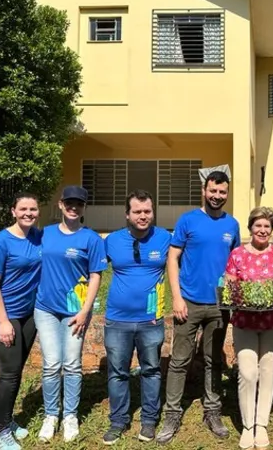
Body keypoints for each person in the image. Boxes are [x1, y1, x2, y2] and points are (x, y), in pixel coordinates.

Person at [157, 171, 241, 444]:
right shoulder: (188, 220)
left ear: (227, 194)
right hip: (189, 302)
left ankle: (212, 411)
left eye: (222, 192)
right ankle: (172, 413)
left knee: (212, 360)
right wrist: (177, 298)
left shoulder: (233, 224)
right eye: (213, 191)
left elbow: (235, 263)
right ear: (204, 191)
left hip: (219, 306)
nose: (218, 196)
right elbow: (172, 258)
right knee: (179, 360)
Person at [34, 186, 106, 442]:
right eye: (70, 203)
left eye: (79, 204)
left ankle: (70, 416)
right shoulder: (45, 234)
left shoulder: (92, 239)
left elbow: (96, 275)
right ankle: (51, 415)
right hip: (45, 309)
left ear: (84, 207)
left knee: (73, 365)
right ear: (61, 205)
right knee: (52, 364)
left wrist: (86, 311)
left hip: (76, 311)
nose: (74, 208)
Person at [101, 190, 172, 445]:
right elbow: (91, 271)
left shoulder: (165, 238)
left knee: (151, 370)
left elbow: (183, 267)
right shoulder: (111, 241)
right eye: (137, 212)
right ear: (127, 214)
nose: (143, 216)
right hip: (117, 320)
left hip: (151, 320)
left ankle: (150, 420)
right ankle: (118, 421)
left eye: (147, 211)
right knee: (118, 372)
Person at [224, 207, 273, 449]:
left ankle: (261, 424)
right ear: (251, 228)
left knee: (267, 370)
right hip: (244, 322)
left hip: (272, 323)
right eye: (258, 226)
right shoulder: (237, 254)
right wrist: (234, 295)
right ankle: (247, 425)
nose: (263, 230)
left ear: (272, 230)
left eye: (267, 226)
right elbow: (230, 286)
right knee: (247, 372)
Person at [0, 192, 44, 450]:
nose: (28, 213)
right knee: (8, 373)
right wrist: (4, 321)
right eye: (23, 209)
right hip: (4, 316)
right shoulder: (0, 242)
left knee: (16, 370)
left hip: (29, 315)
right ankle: (0, 433)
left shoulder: (38, 237)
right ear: (13, 211)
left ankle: (7, 420)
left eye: (33, 209)